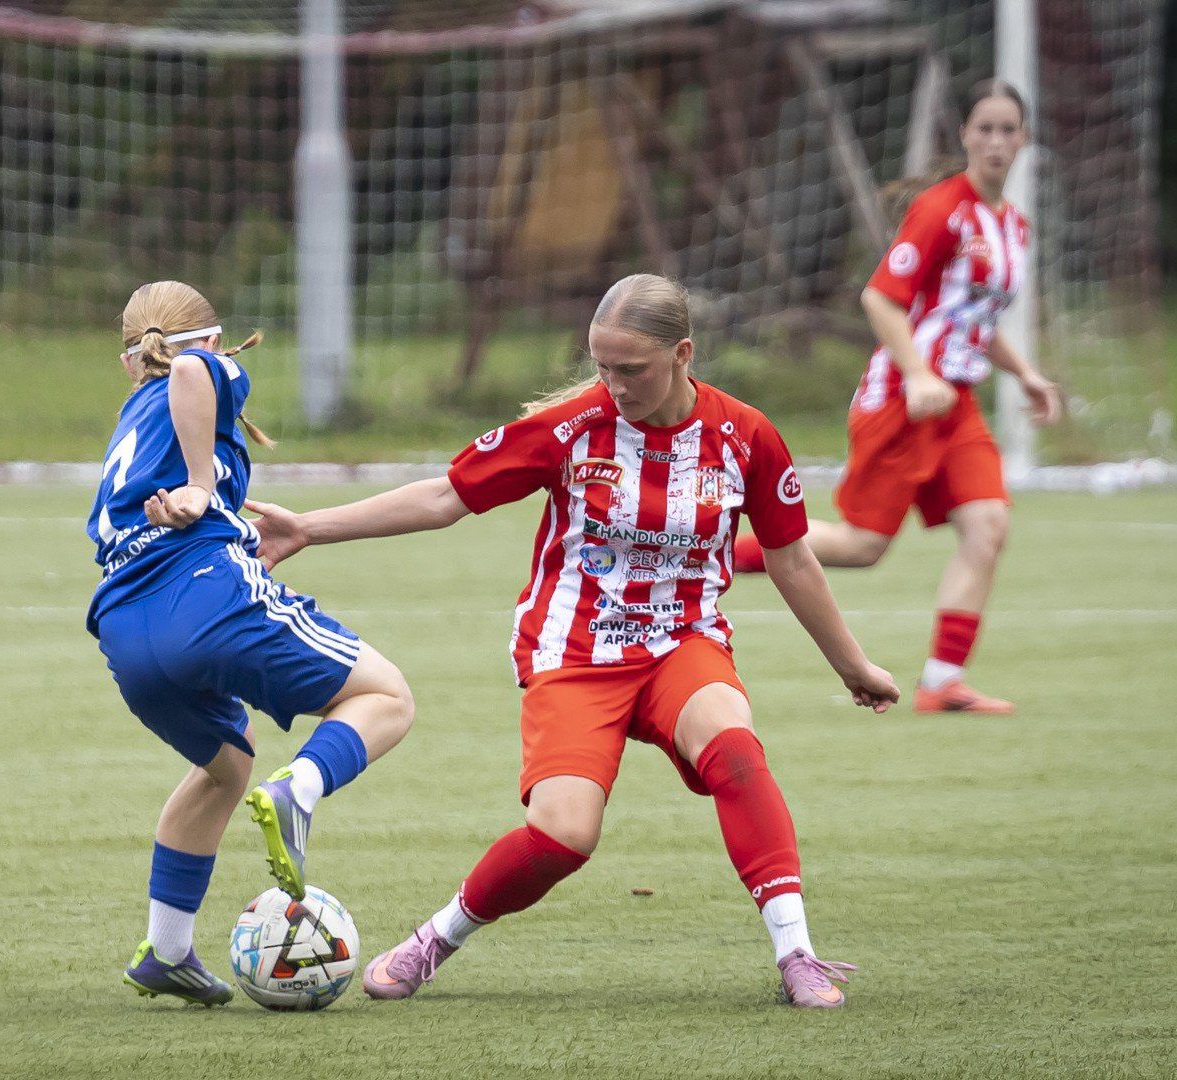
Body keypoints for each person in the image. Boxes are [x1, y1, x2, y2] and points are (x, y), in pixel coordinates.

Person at [249, 273, 899, 1009]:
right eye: (601, 366)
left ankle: (798, 956)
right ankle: (438, 935)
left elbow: (792, 558)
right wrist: (309, 527)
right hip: (575, 653)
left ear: (684, 354)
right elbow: (444, 497)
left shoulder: (746, 436)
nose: (613, 385)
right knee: (564, 837)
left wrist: (855, 666)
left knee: (736, 750)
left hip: (682, 644)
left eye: (632, 370)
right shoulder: (571, 427)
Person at [86, 281, 414, 1006]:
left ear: (125, 361)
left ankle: (166, 951)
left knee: (224, 766)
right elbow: (195, 372)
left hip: (122, 626)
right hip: (201, 587)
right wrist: (204, 488)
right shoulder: (204, 367)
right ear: (211, 336)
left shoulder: (133, 417)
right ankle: (300, 789)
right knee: (386, 696)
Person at [734, 80, 1062, 714]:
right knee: (861, 546)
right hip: (903, 399)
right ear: (964, 136)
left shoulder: (1012, 225)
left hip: (955, 403)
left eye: (1008, 130)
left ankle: (942, 681)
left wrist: (1025, 374)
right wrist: (917, 374)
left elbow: (973, 320)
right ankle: (713, 549)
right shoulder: (943, 209)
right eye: (984, 128)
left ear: (1024, 140)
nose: (996, 141)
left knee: (988, 525)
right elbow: (880, 298)